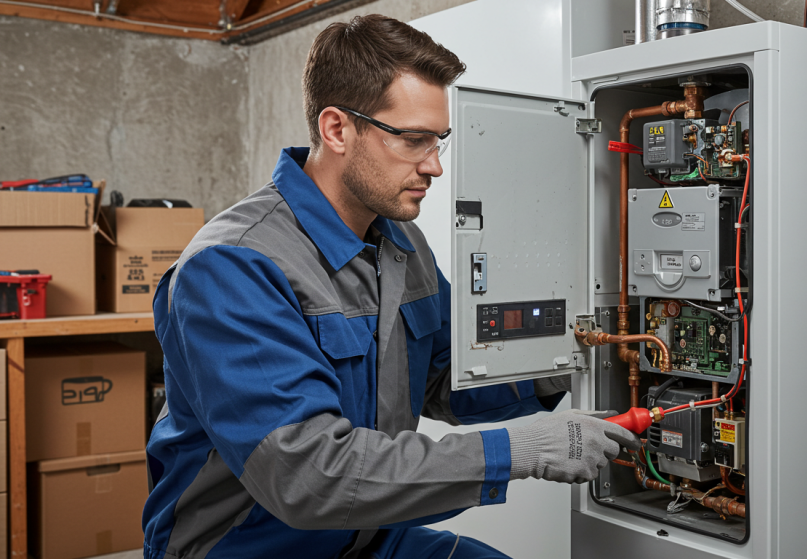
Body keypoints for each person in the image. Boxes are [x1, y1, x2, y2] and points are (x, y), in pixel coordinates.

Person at [141, 14, 638, 559]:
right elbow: (309, 477)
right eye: (413, 140)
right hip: (252, 547)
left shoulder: (399, 242)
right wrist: (514, 450)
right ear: (336, 129)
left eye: (439, 141)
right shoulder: (233, 267)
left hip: (369, 535)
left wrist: (571, 362)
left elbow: (449, 379)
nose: (435, 166)